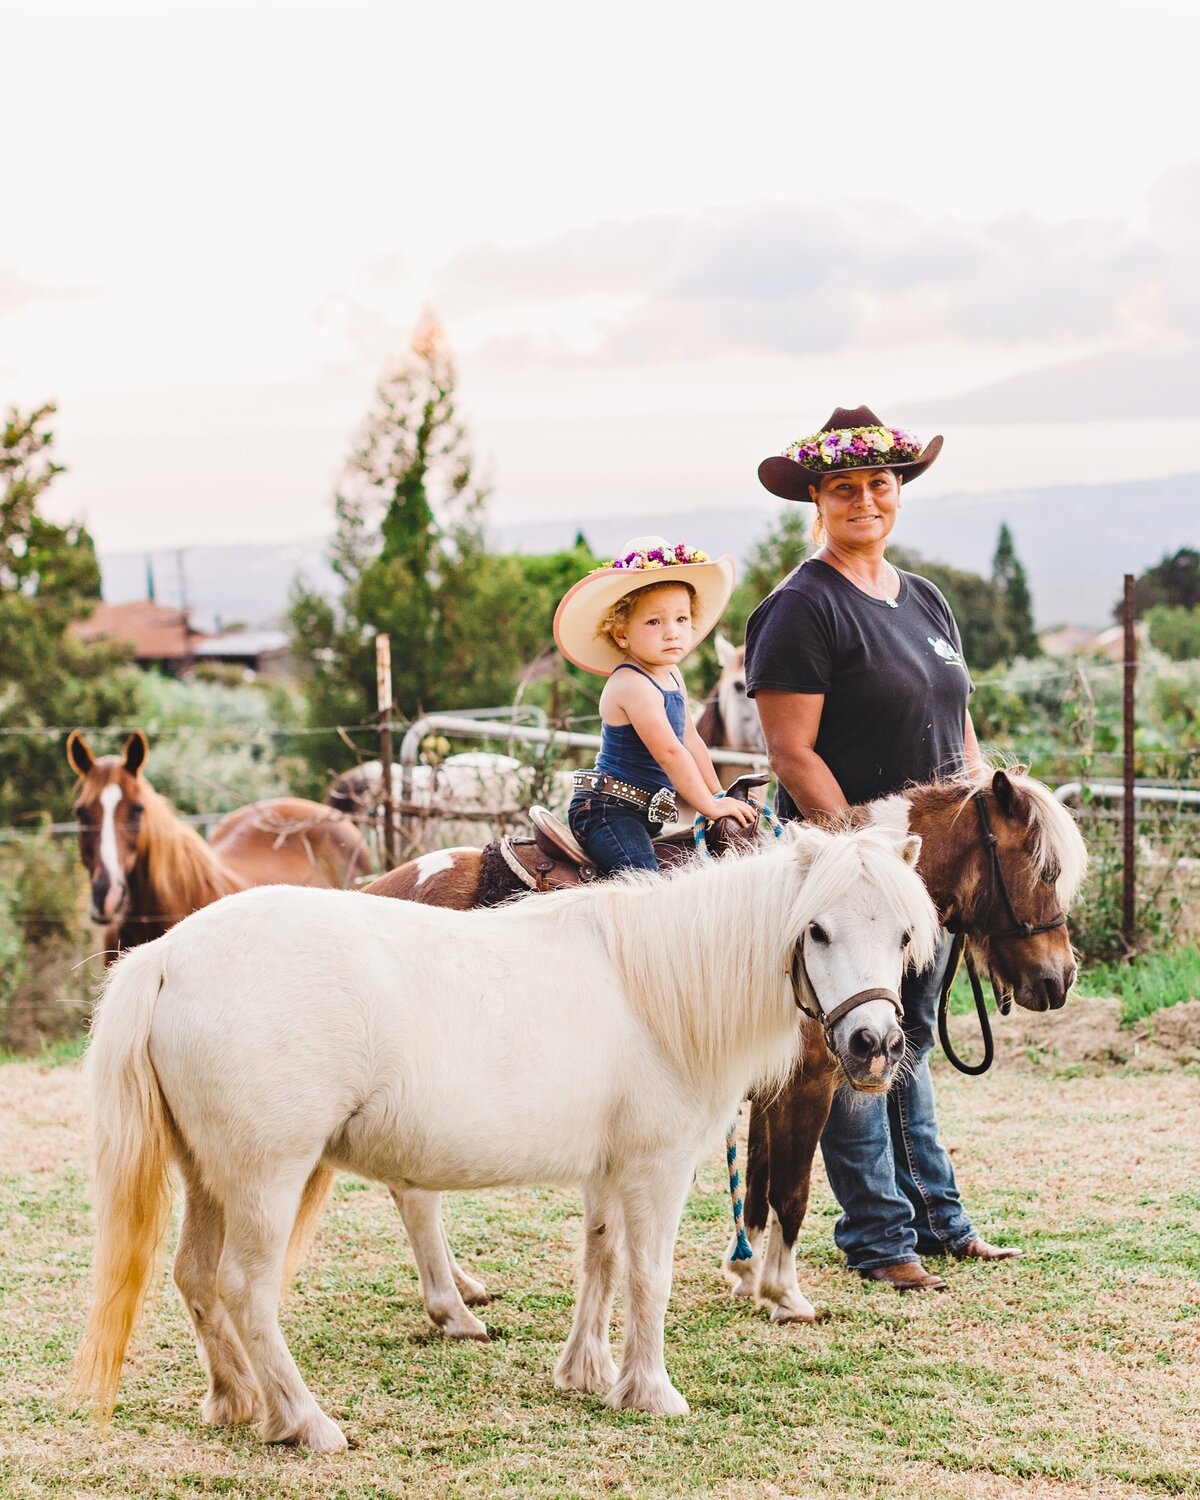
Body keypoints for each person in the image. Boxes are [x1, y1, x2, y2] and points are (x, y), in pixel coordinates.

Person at [744, 405, 1021, 1292]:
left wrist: (979, 817)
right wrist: (861, 854)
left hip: (926, 876)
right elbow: (792, 751)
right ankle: (879, 1241)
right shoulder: (800, 608)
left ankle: (940, 1221)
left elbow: (959, 724)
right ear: (818, 500)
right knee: (854, 1053)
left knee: (915, 1044)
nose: (866, 499)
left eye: (880, 484)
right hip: (855, 871)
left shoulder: (925, 597)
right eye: (845, 488)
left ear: (897, 493)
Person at [554, 535, 757, 874]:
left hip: (645, 811)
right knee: (644, 880)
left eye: (681, 619)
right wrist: (709, 807)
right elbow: (670, 752)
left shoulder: (671, 673)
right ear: (621, 633)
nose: (672, 633)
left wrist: (719, 793)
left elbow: (690, 741)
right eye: (654, 622)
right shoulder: (631, 684)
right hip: (608, 811)